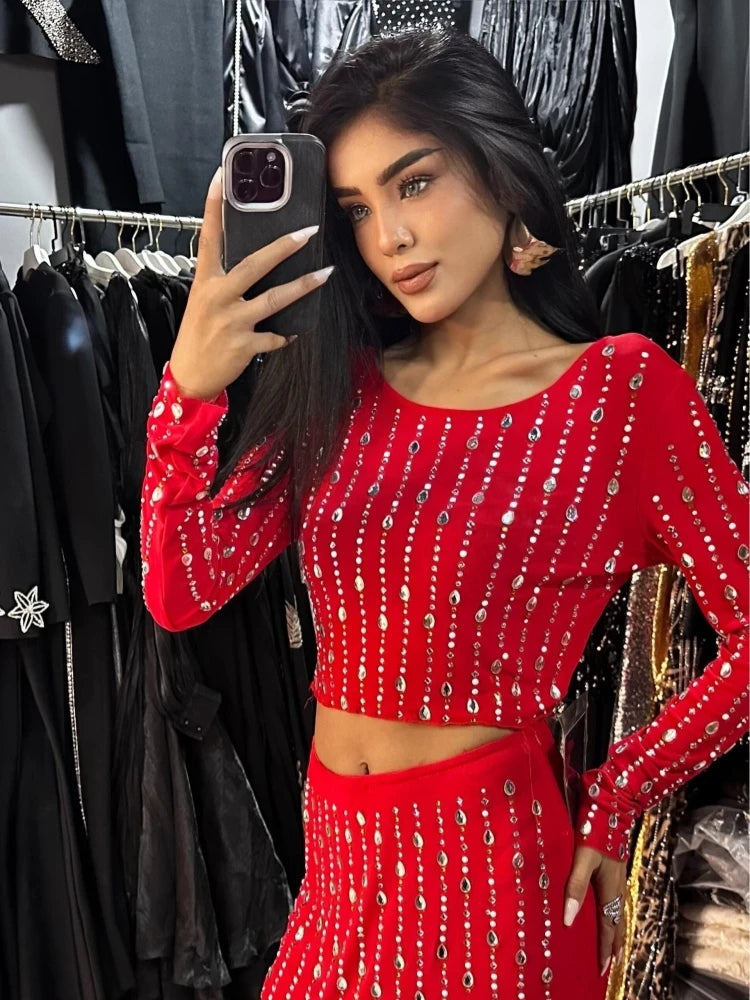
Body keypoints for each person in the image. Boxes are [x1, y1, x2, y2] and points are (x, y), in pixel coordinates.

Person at [140, 29, 749, 1000]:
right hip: (337, 873)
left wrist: (620, 793)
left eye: (413, 183)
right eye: (357, 208)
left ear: (500, 169)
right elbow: (181, 590)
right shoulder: (341, 386)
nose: (390, 238)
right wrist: (189, 390)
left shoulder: (623, 394)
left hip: (494, 880)